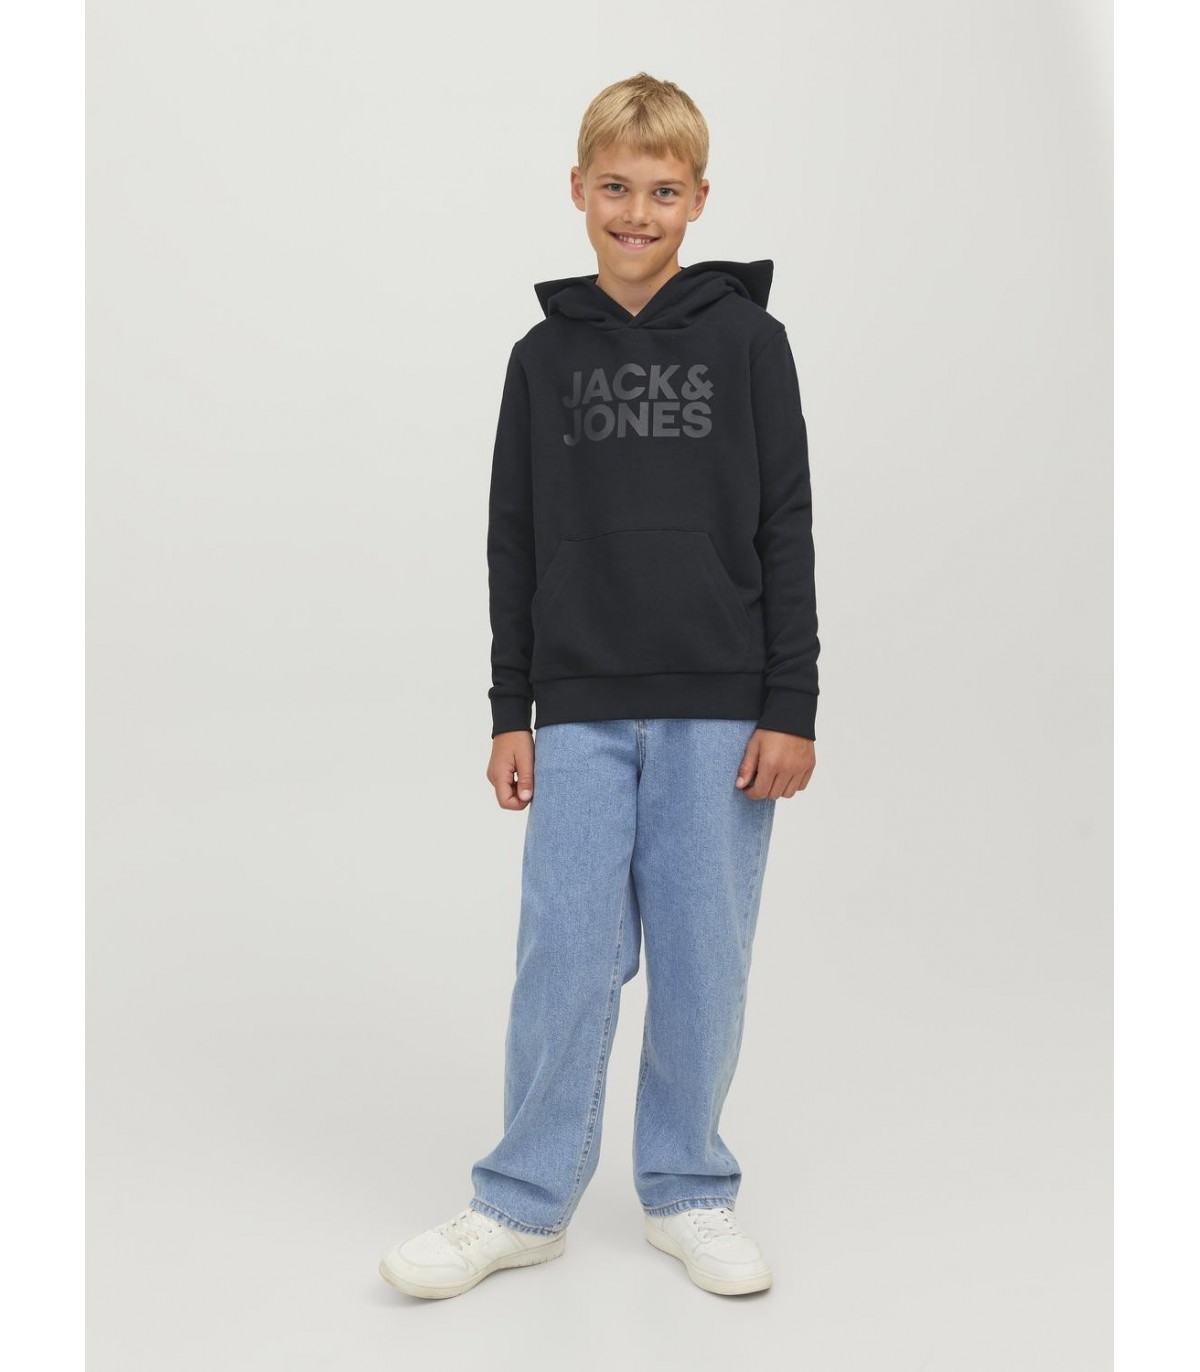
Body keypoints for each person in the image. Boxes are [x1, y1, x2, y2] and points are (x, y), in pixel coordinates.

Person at [380, 71, 819, 1301]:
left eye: (663, 191)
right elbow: (512, 538)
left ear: (700, 199)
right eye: (616, 188)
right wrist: (507, 710)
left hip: (721, 705)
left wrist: (792, 705)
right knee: (565, 956)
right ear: (577, 190)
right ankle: (522, 1201)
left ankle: (689, 1188)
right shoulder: (541, 357)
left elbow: (786, 524)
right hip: (575, 706)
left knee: (702, 958)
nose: (637, 213)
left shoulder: (750, 343)